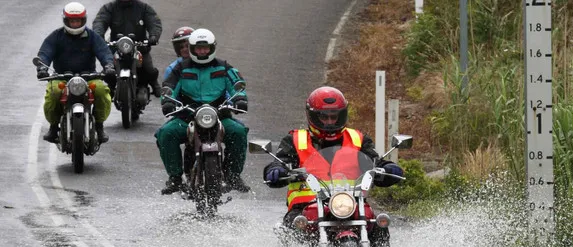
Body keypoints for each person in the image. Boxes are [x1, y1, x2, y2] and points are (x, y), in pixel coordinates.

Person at [263, 86, 403, 229]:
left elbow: (374, 162)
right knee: (292, 226)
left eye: (334, 116)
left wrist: (387, 168)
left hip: (349, 204)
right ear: (313, 116)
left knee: (378, 224)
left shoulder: (358, 139)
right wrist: (276, 169)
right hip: (305, 208)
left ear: (341, 115)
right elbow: (281, 161)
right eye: (324, 117)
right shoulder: (295, 140)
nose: (329, 122)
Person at [156, 28, 250, 194]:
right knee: (166, 133)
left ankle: (233, 175)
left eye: (205, 48)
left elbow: (237, 84)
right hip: (187, 117)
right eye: (198, 48)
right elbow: (168, 87)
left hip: (218, 116)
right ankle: (175, 178)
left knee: (239, 132)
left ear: (212, 48)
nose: (202, 51)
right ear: (192, 49)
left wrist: (240, 99)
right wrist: (167, 102)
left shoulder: (224, 67)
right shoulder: (180, 68)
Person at [35, 2, 115, 144]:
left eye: (77, 20)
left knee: (102, 91)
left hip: (88, 77)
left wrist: (108, 66)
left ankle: (99, 126)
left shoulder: (92, 36)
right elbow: (45, 53)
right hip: (62, 77)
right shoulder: (56, 36)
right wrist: (42, 68)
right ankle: (54, 127)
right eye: (72, 21)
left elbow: (104, 52)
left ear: (83, 20)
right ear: (66, 20)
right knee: (53, 92)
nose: (75, 24)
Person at [91, 0, 162, 97]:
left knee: (149, 69)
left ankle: (155, 84)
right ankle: (111, 87)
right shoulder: (109, 8)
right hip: (116, 49)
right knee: (108, 71)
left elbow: (154, 22)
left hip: (140, 49)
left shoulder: (144, 8)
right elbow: (100, 22)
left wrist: (153, 36)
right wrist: (99, 35)